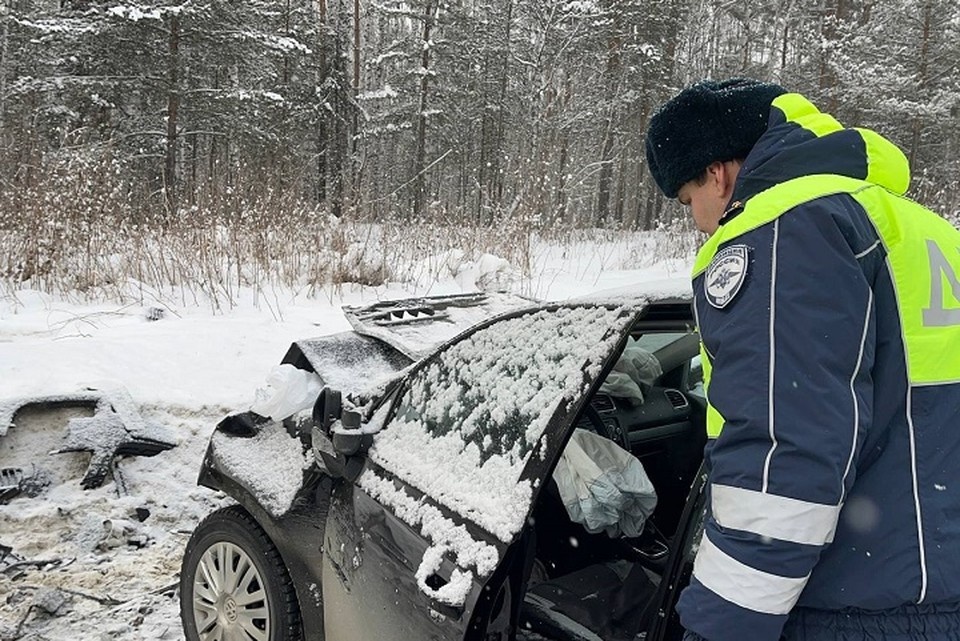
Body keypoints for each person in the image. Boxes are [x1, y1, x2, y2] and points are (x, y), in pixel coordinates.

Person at [644, 78, 960, 641]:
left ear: (716, 173)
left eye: (689, 200)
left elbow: (783, 453)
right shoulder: (920, 228)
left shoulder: (785, 228)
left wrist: (723, 627)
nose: (698, 221)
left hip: (853, 605)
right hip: (928, 581)